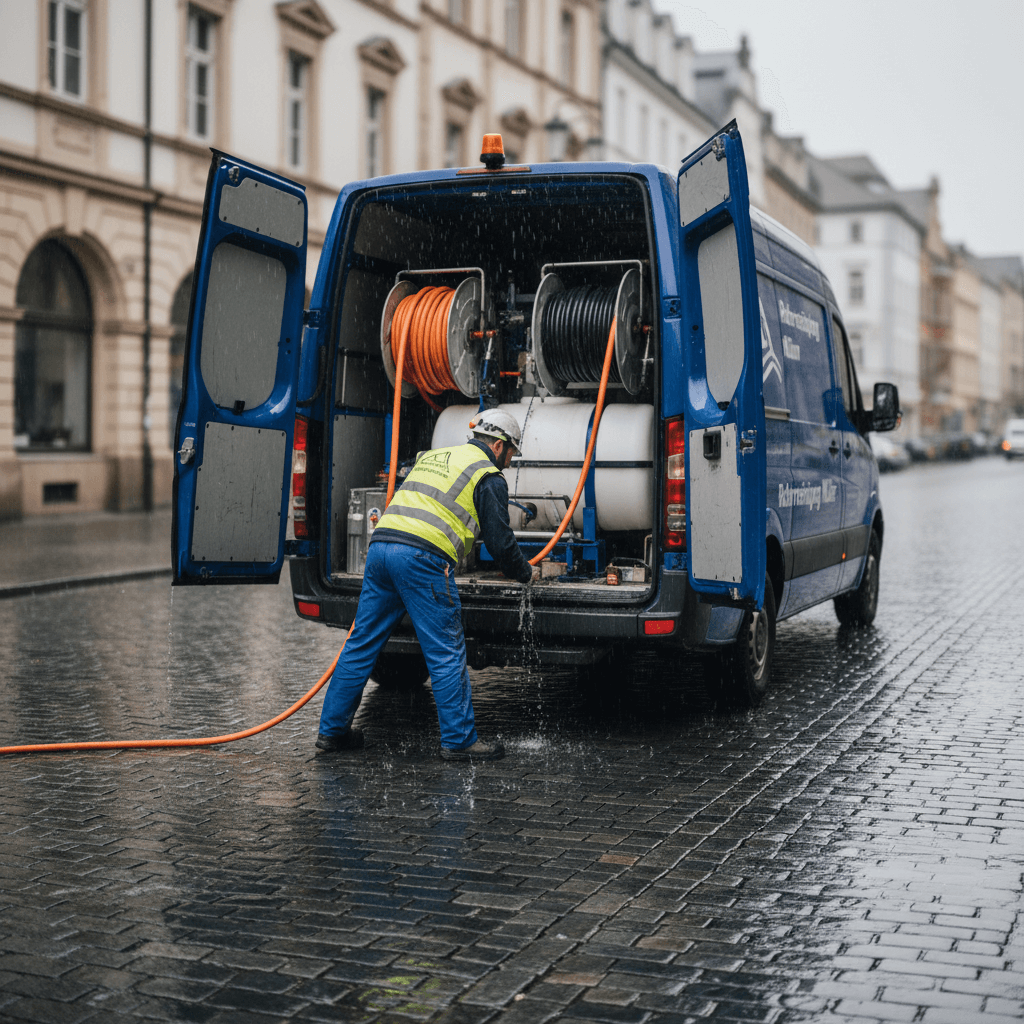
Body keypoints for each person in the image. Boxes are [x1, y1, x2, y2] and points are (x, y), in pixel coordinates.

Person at [315, 408, 535, 761]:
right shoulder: (488, 475)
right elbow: (500, 543)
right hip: (422, 559)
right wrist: (526, 573)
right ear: (497, 445)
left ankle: (332, 732)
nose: (509, 462)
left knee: (361, 644)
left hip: (382, 549)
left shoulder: (434, 457)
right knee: (446, 650)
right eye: (510, 453)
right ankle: (460, 741)